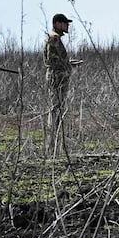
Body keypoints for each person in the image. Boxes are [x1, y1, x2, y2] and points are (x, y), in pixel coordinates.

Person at [43, 13, 80, 154]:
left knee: (57, 110)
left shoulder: (54, 38)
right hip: (57, 79)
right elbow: (52, 62)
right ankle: (52, 146)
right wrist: (66, 66)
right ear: (57, 24)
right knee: (56, 111)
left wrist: (69, 64)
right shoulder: (54, 39)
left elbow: (56, 60)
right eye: (65, 23)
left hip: (58, 77)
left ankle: (55, 145)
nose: (67, 26)